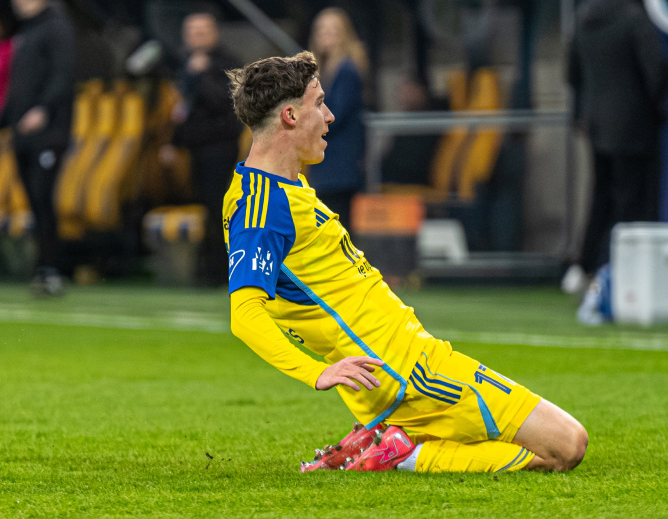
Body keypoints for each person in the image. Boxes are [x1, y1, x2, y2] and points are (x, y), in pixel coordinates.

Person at [223, 51, 587, 473]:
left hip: (397, 368)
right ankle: (401, 453)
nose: (330, 116)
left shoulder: (280, 187)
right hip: (409, 374)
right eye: (319, 103)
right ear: (289, 116)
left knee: (528, 446)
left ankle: (391, 441)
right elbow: (244, 313)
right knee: (567, 445)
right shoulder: (263, 206)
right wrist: (316, 373)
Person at [565, 0, 668, 321]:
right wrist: (657, 109)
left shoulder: (585, 14)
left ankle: (582, 270)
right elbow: (656, 70)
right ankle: (623, 278)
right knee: (633, 207)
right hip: (635, 127)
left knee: (601, 199)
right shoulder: (635, 15)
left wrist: (589, 109)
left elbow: (571, 73)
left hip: (597, 125)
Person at [0, 0, 75, 296]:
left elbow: (64, 74)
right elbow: (16, 87)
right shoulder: (26, 30)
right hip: (23, 134)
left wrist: (43, 109)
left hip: (49, 132)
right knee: (34, 202)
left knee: (43, 196)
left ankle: (51, 270)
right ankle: (43, 267)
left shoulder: (57, 25)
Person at [160, 11, 240, 286]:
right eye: (192, 32)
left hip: (220, 148)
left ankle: (218, 271)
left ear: (214, 33)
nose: (197, 37)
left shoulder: (228, 64)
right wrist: (174, 143)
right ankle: (205, 268)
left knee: (219, 209)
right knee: (204, 208)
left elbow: (224, 105)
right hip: (196, 149)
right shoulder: (185, 65)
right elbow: (185, 109)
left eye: (202, 31)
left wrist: (203, 74)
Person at [304, 7, 367, 224]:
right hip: (328, 165)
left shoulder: (347, 70)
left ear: (344, 34)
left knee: (335, 225)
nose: (325, 35)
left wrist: (303, 123)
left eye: (332, 30)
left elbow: (334, 115)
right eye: (321, 29)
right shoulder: (326, 70)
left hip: (339, 166)